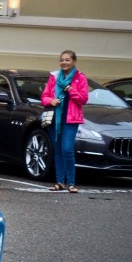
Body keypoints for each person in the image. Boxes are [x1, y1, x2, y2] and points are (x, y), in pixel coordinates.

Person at [42, 49, 89, 193]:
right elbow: (44, 97)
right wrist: (52, 100)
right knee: (57, 151)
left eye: (67, 60)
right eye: (62, 60)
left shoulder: (80, 78)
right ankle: (60, 182)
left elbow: (83, 99)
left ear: (74, 61)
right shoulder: (54, 77)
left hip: (71, 119)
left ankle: (72, 183)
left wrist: (70, 89)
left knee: (67, 150)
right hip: (55, 119)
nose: (64, 62)